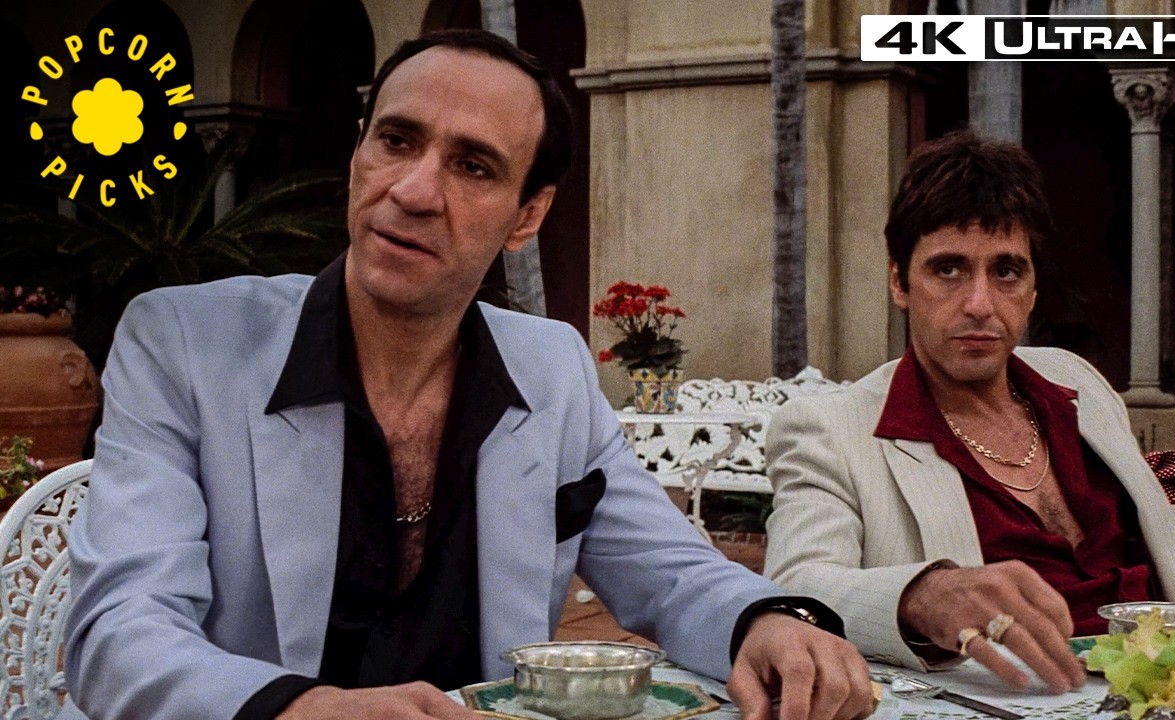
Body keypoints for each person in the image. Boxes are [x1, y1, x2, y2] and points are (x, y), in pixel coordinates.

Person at [62, 30, 876, 720]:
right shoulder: (184, 343)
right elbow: (118, 632)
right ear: (358, 150)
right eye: (397, 140)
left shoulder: (550, 368)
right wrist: (301, 709)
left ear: (529, 216)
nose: (414, 191)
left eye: (474, 166)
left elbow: (670, 573)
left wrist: (766, 622)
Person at [763, 130, 1175, 695]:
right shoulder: (832, 429)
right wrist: (921, 594)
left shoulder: (1078, 384)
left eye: (1007, 272)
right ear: (899, 282)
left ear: (1033, 289)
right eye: (948, 269)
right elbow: (795, 586)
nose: (980, 304)